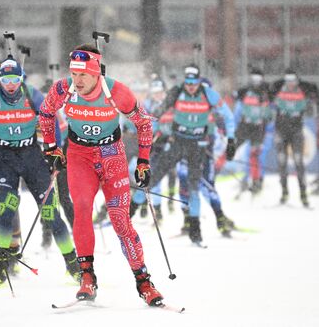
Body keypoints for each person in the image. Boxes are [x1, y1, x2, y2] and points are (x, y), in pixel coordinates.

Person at [39, 44, 164, 306]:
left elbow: (143, 123)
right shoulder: (64, 89)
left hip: (112, 157)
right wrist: (51, 147)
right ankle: (87, 277)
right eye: (74, 73)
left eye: (83, 74)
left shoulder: (115, 91)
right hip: (79, 156)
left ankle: (144, 282)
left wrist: (143, 161)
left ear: (96, 72)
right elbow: (46, 112)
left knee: (120, 221)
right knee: (82, 208)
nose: (77, 80)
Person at [0, 57, 78, 287]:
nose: (10, 85)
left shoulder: (32, 94)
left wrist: (55, 152)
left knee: (50, 211)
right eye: (5, 79)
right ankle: (1, 264)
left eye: (15, 79)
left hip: (31, 155)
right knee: (8, 206)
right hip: (3, 158)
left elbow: (52, 122)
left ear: (21, 78)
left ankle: (73, 265)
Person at [149, 64, 235, 245]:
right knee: (184, 182)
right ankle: (188, 220)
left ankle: (220, 219)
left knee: (206, 187)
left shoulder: (213, 110)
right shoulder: (186, 104)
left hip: (204, 152)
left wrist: (220, 147)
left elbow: (221, 133)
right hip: (187, 148)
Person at [269, 69, 317, 206]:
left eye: (293, 81)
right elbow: (269, 95)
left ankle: (303, 194)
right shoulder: (279, 90)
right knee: (282, 161)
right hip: (281, 131)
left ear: (297, 81)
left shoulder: (302, 91)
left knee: (298, 161)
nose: (290, 84)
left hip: (296, 132)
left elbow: (312, 96)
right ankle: (284, 192)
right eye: (288, 81)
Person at [231, 68, 271, 193]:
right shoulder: (245, 91)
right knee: (232, 148)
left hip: (259, 129)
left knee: (255, 155)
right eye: (253, 79)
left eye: (258, 79)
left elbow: (270, 114)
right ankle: (214, 174)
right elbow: (236, 109)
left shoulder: (267, 93)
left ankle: (257, 181)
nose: (256, 82)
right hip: (245, 126)